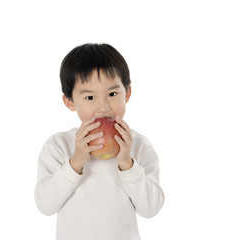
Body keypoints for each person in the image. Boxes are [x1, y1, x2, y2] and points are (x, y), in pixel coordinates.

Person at [34, 43, 165, 240]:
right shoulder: (59, 146)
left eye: (112, 94)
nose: (103, 107)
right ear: (69, 102)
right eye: (89, 97)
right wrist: (75, 161)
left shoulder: (138, 146)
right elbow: (45, 205)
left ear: (127, 93)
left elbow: (151, 208)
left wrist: (127, 164)